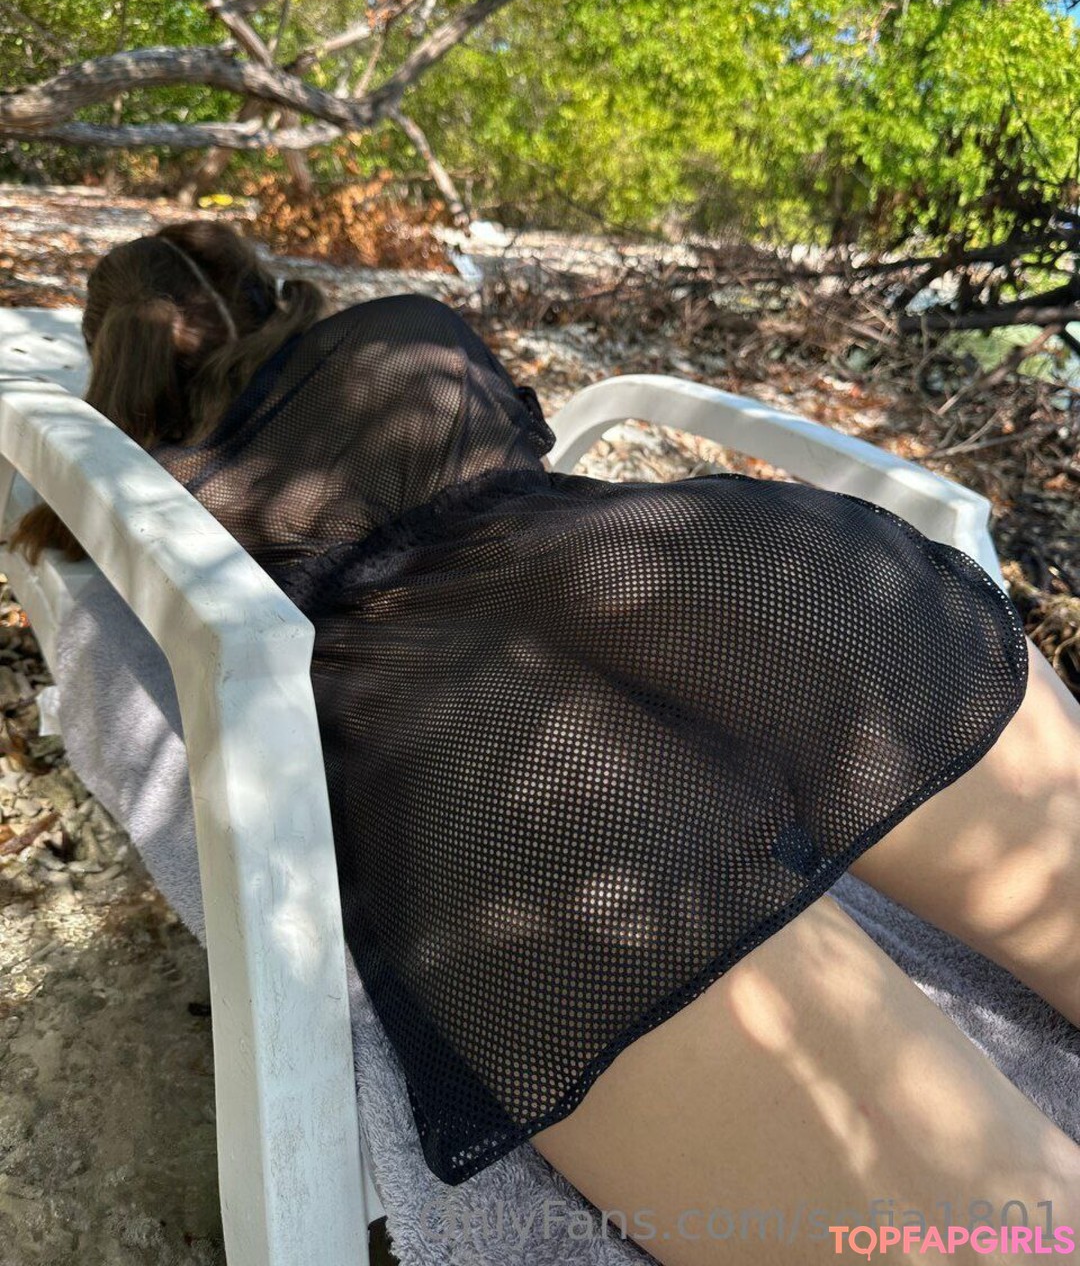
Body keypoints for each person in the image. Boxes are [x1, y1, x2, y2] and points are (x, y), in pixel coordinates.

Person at [11, 220, 1080, 1265]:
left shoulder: (157, 494)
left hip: (484, 739)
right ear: (263, 290)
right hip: (720, 569)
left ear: (118, 365)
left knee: (1003, 1231)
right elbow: (531, 445)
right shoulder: (399, 329)